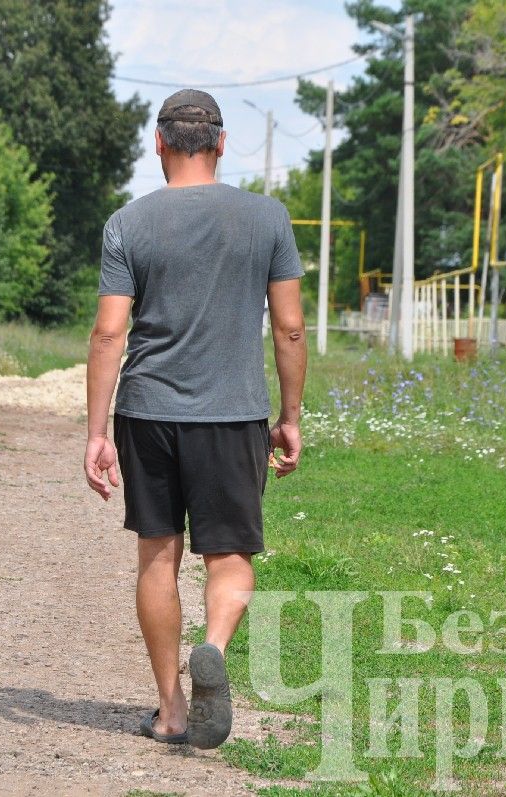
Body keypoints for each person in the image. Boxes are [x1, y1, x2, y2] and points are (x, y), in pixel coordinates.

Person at [83, 89, 307, 749]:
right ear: (221, 143)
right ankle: (211, 645)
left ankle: (174, 709)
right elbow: (290, 329)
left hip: (146, 411)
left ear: (158, 144)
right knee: (229, 559)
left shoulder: (128, 222)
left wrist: (97, 432)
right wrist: (290, 415)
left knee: (157, 554)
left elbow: (107, 333)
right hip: (233, 412)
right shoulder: (268, 218)